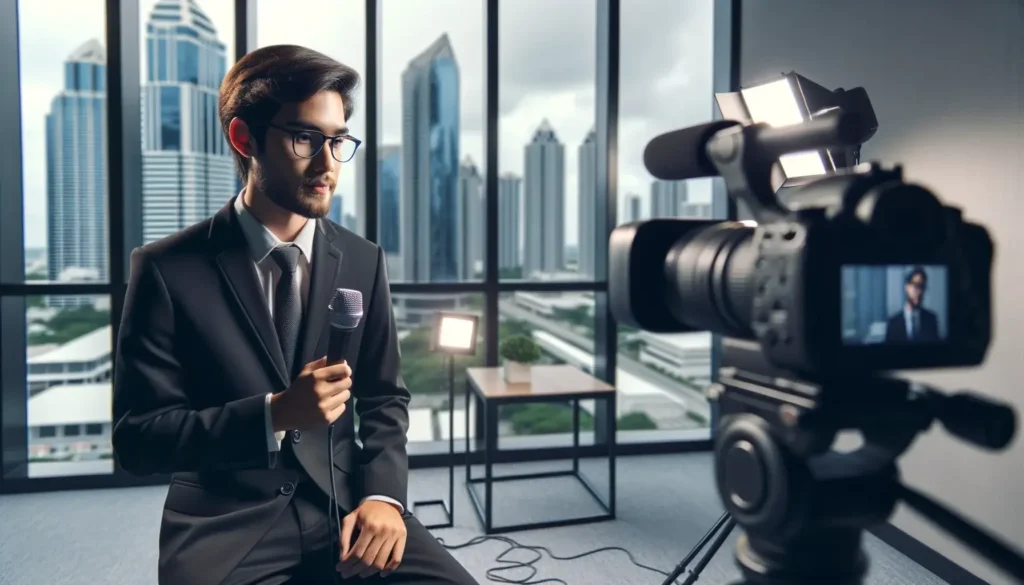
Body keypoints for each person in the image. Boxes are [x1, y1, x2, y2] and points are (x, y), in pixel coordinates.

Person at [112, 44, 479, 585]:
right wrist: (274, 414)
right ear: (245, 139)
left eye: (338, 140)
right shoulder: (166, 269)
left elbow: (384, 397)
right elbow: (139, 438)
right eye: (305, 138)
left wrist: (384, 496)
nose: (329, 163)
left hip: (349, 502)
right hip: (229, 524)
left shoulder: (362, 258)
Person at [884, 266, 940, 343]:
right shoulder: (893, 323)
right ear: (907, 287)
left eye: (922, 286)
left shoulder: (931, 320)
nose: (919, 291)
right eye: (916, 285)